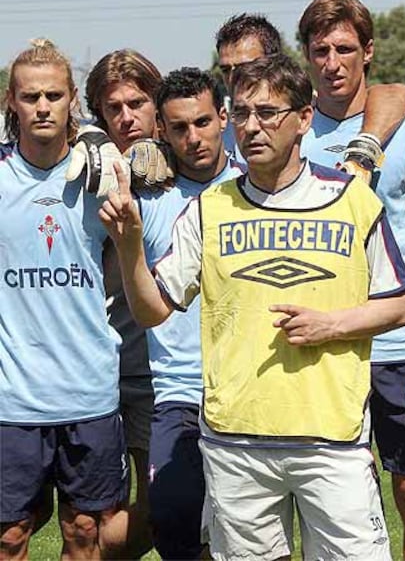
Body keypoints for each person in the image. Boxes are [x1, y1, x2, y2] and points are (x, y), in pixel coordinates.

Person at [99, 53, 405, 561]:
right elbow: (153, 309)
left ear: (305, 118)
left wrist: (333, 324)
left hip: (330, 442)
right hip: (236, 444)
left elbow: (402, 303)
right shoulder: (209, 208)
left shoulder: (351, 200)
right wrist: (131, 244)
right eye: (242, 113)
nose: (252, 126)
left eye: (268, 113)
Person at [0, 39, 128, 560]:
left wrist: (102, 142)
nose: (43, 106)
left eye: (54, 94)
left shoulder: (103, 173)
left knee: (83, 530)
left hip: (88, 391)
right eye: (31, 97)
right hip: (14, 396)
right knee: (9, 536)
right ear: (12, 101)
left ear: (72, 98)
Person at [298, 0, 405, 561]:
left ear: (368, 52)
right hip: (323, 342)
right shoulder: (286, 134)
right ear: (305, 56)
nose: (332, 62)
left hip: (400, 339)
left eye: (344, 48)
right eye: (319, 50)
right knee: (333, 493)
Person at [139, 67, 242, 560]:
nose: (193, 137)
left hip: (246, 386)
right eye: (178, 127)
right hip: (177, 391)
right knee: (173, 524)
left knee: (251, 539)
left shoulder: (254, 183)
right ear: (161, 129)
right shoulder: (147, 193)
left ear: (223, 117)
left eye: (203, 122)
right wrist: (118, 150)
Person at [84, 48, 161, 559]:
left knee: (165, 513)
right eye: (113, 108)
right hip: (100, 374)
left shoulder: (189, 158)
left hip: (166, 374)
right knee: (90, 521)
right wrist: (95, 145)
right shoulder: (85, 173)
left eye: (137, 103)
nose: (126, 117)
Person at [215, 11, 405, 180]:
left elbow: (395, 92)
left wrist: (364, 150)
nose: (234, 78)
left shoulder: (293, 120)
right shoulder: (212, 131)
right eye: (226, 70)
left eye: (246, 66)